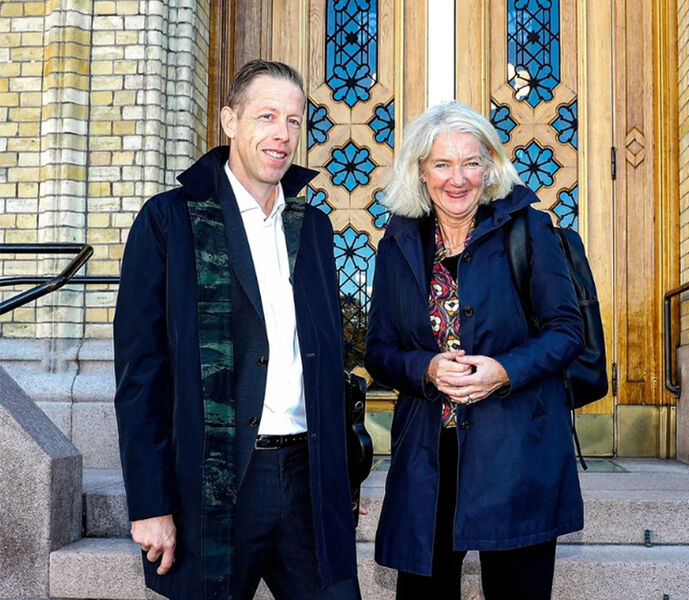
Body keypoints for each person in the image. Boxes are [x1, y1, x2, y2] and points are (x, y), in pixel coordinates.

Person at [113, 60, 361, 600]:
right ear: (229, 120)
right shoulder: (170, 222)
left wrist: (341, 475)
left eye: (294, 121)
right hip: (213, 485)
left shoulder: (312, 228)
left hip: (308, 480)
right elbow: (141, 376)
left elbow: (324, 362)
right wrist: (151, 504)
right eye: (267, 115)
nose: (282, 134)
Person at [365, 101, 585, 599]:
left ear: (489, 167)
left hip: (516, 452)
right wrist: (426, 368)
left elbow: (566, 330)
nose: (457, 178)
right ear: (421, 172)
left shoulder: (528, 229)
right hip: (429, 460)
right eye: (441, 164)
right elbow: (378, 349)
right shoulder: (398, 243)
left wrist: (502, 371)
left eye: (470, 162)